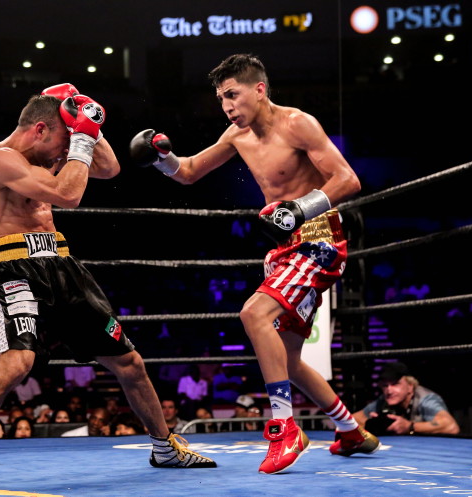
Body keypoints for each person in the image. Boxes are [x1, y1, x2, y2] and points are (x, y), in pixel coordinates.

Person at [0, 85, 215, 490]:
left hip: (62, 265)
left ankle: (165, 447)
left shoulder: (52, 155)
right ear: (40, 130)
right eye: (63, 143)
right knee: (15, 364)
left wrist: (87, 122)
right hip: (16, 267)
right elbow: (70, 195)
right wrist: (79, 138)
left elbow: (110, 167)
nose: (66, 155)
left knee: (130, 362)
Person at [130, 53, 379, 474]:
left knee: (253, 313)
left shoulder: (297, 123)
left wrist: (300, 209)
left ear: (259, 89)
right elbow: (189, 172)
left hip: (318, 240)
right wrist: (159, 157)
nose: (226, 105)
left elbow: (348, 180)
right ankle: (351, 430)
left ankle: (284, 425)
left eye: (233, 94)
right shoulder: (236, 135)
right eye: (221, 98)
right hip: (282, 249)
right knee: (288, 357)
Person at [353, 362, 460, 436]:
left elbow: (451, 427)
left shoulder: (426, 399)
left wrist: (410, 427)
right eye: (385, 385)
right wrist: (371, 424)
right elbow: (352, 419)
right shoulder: (384, 400)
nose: (389, 390)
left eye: (395, 384)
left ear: (410, 386)